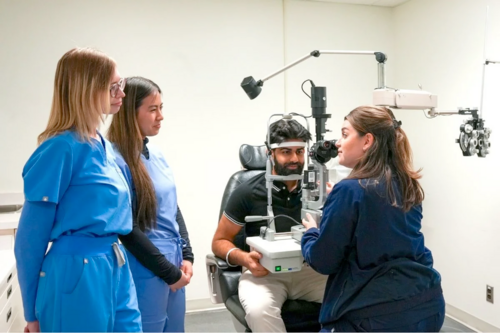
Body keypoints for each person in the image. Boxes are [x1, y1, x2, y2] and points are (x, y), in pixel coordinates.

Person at [14, 47, 142, 332]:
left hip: (115, 264)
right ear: (87, 90)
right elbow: (29, 241)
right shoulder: (59, 149)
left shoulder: (106, 148)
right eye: (113, 87)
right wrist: (31, 314)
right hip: (75, 273)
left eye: (121, 85)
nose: (122, 93)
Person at [301, 105, 445, 332]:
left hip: (372, 318)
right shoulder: (406, 183)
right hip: (427, 305)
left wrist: (311, 233)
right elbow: (381, 223)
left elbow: (323, 260)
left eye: (345, 134)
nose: (338, 142)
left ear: (367, 141)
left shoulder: (349, 191)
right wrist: (339, 200)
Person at [211, 119, 328, 332]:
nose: (294, 159)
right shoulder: (247, 191)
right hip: (265, 273)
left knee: (353, 297)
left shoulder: (317, 190)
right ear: (270, 152)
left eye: (300, 152)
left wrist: (332, 198)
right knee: (259, 311)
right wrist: (245, 258)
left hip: (309, 269)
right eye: (286, 152)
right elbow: (219, 242)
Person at [108, 76, 194, 332]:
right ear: (129, 111)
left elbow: (172, 205)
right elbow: (127, 228)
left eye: (161, 108)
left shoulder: (155, 154)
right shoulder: (115, 159)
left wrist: (187, 253)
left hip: (175, 260)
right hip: (146, 264)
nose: (161, 116)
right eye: (153, 109)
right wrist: (167, 271)